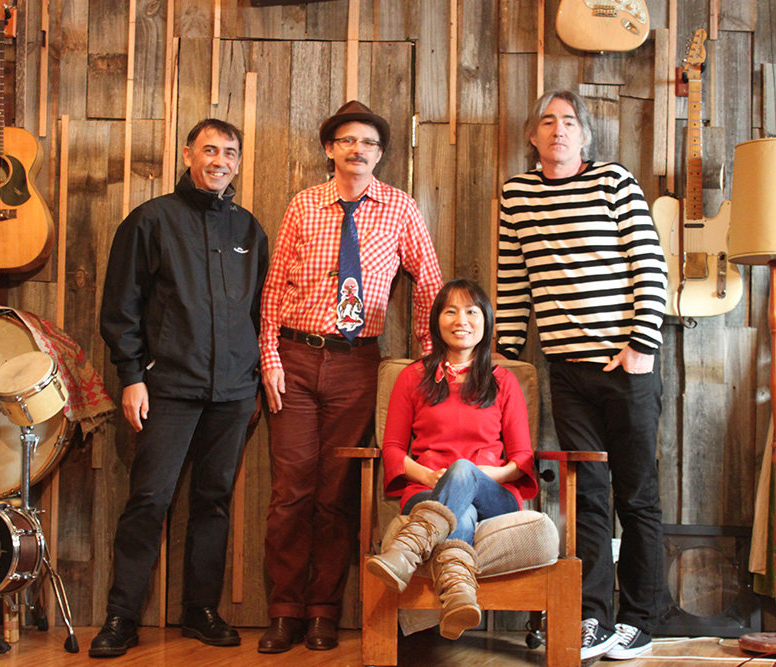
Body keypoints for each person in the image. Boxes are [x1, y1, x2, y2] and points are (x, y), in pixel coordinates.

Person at [258, 100, 442, 653]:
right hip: (295, 358)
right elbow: (274, 288)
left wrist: (431, 356)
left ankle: (323, 612)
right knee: (291, 490)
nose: (357, 150)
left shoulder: (401, 207)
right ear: (330, 149)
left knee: (336, 493)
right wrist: (270, 358)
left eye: (368, 142)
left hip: (358, 363)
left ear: (379, 154)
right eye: (347, 140)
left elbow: (429, 282)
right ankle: (284, 610)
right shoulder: (304, 204)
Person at [496, 90, 668, 662]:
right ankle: (594, 616)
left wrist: (641, 344)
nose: (559, 130)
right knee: (588, 497)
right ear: (533, 136)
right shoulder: (517, 195)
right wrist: (505, 354)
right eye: (547, 121)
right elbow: (513, 279)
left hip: (625, 368)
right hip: (566, 375)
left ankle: (640, 621)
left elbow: (650, 263)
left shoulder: (613, 182)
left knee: (636, 496)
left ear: (584, 135)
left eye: (569, 122)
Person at [93, 119, 268, 657]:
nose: (220, 160)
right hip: (166, 387)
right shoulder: (150, 220)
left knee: (214, 502)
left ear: (238, 162)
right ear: (188, 154)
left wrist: (255, 380)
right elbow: (121, 306)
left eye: (230, 152)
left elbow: (261, 311)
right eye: (209, 150)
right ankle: (122, 617)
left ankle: (201, 611)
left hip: (234, 392)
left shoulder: (248, 230)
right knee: (149, 500)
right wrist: (131, 376)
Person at [366, 279, 538, 640]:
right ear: (437, 321)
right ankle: (459, 595)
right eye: (451, 311)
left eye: (472, 311)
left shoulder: (504, 381)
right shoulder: (412, 378)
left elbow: (522, 457)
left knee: (464, 472)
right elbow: (393, 449)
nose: (461, 320)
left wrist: (478, 475)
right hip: (426, 489)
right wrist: (430, 478)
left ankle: (407, 549)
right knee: (464, 511)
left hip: (494, 494)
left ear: (486, 321)